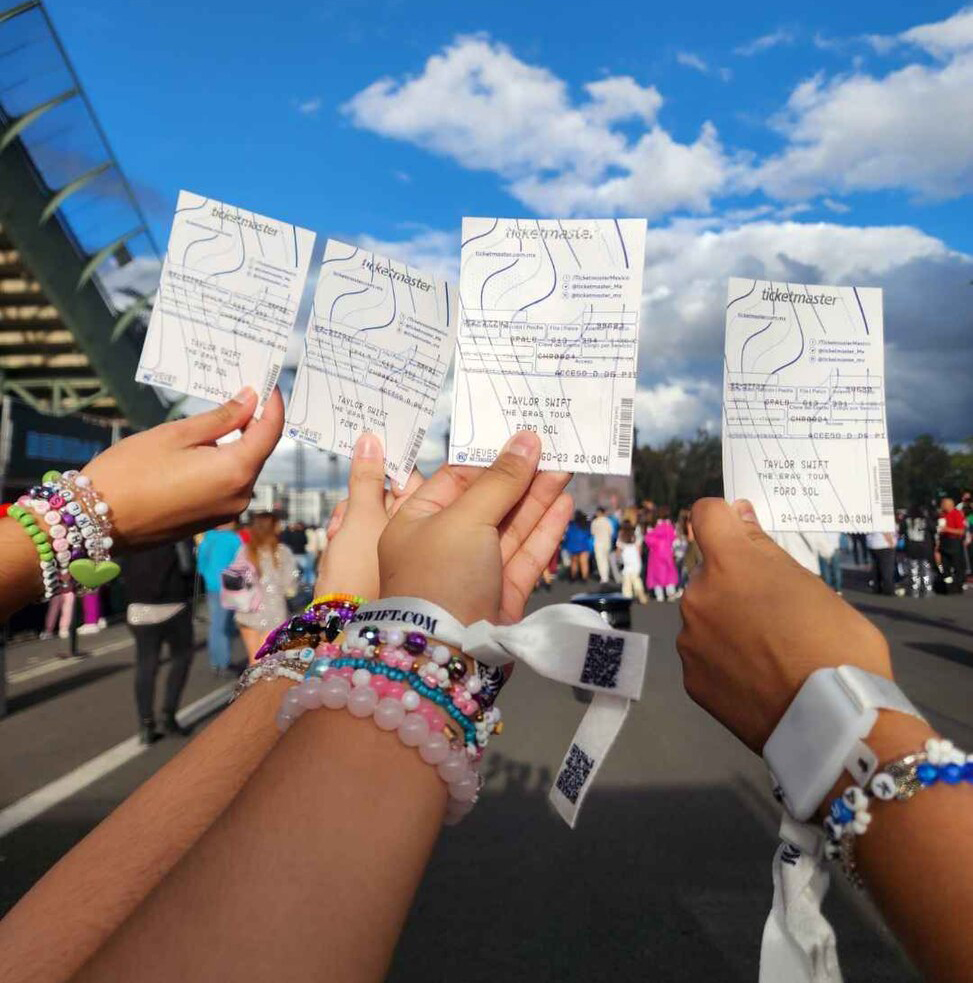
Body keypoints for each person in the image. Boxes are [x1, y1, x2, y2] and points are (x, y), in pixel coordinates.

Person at [120, 540, 197, 744]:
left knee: (146, 665)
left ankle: (146, 723)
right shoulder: (175, 532)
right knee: (181, 659)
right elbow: (187, 565)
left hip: (138, 605)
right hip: (173, 603)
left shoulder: (131, 535)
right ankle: (168, 716)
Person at [232, 512, 298, 660]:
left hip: (247, 610)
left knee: (253, 660)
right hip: (274, 611)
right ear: (272, 527)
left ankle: (248, 683)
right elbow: (290, 585)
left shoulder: (245, 551)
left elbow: (236, 578)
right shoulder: (281, 552)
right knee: (267, 662)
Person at [196, 521, 242, 675]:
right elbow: (241, 562)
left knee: (216, 624)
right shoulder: (234, 539)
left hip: (212, 586)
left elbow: (201, 563)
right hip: (230, 586)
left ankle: (216, 660)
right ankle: (223, 663)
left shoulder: (208, 538)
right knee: (225, 626)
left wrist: (208, 575)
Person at [644, 505, 679, 601]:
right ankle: (670, 592)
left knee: (656, 573)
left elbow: (648, 539)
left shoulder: (654, 526)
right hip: (667, 552)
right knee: (669, 572)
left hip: (655, 553)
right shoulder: (670, 526)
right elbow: (674, 539)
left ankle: (659, 595)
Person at [900, 504, 935, 598]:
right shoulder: (925, 520)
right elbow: (933, 529)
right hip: (924, 547)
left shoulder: (906, 520)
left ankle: (914, 589)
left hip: (911, 547)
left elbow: (901, 531)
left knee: (913, 569)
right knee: (925, 569)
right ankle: (927, 589)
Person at [938, 496, 966, 594]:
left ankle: (958, 586)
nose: (941, 505)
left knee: (957, 566)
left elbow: (961, 531)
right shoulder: (942, 515)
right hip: (944, 541)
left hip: (954, 542)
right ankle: (948, 586)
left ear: (949, 505)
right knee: (945, 566)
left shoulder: (956, 514)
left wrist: (947, 529)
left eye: (943, 503)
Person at [616, 520, 648, 603]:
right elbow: (639, 550)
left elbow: (618, 551)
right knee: (636, 578)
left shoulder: (621, 536)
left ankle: (627, 597)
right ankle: (641, 595)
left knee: (627, 580)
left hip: (626, 560)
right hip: (635, 560)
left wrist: (618, 559)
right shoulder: (636, 536)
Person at [281, 521, 313, 590]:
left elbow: (288, 542)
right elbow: (306, 542)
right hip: (301, 553)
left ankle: (299, 583)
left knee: (297, 570)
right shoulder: (302, 533)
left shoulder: (292, 533)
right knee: (302, 570)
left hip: (296, 554)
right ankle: (302, 584)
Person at [563, 509, 593, 580]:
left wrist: (565, 545)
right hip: (584, 546)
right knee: (584, 563)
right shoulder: (586, 525)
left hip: (573, 546)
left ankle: (573, 577)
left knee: (574, 563)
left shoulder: (571, 525)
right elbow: (589, 535)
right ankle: (584, 578)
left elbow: (568, 535)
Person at [867, 529, 896, 596]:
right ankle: (888, 590)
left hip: (872, 544)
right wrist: (891, 542)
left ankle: (877, 588)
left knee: (876, 568)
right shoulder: (884, 518)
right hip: (884, 544)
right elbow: (885, 530)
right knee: (887, 569)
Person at [590, 506, 614, 583]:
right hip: (606, 542)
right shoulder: (608, 521)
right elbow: (611, 532)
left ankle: (604, 577)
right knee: (605, 559)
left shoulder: (595, 522)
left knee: (601, 560)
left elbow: (592, 533)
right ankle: (605, 576)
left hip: (598, 543)